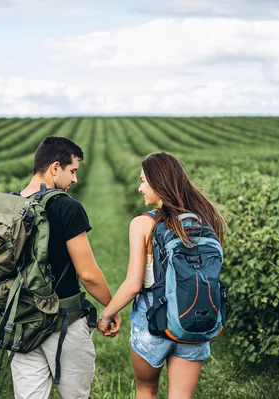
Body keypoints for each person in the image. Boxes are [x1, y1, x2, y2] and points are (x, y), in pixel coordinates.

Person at [96, 152, 227, 399]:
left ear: (159, 183)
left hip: (152, 320)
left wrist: (106, 315)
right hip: (193, 317)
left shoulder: (142, 224)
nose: (139, 188)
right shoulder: (203, 219)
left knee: (146, 391)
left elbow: (134, 284)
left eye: (144, 181)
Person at [11, 136, 121, 399]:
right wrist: (111, 307)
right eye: (72, 171)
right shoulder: (67, 207)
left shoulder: (11, 204)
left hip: (22, 321)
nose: (74, 180)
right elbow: (88, 275)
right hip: (64, 322)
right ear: (55, 167)